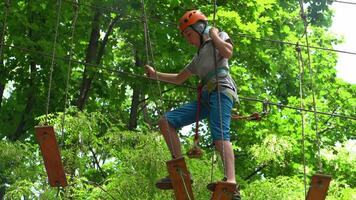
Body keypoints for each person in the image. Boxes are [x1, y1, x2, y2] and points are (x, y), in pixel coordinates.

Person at [144, 10, 240, 199]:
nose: (188, 39)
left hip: (221, 89)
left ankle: (231, 182)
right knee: (166, 121)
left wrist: (213, 35)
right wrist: (156, 74)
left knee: (220, 134)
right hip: (205, 96)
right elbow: (180, 78)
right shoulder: (198, 57)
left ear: (200, 27)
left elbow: (228, 52)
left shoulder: (218, 37)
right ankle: (180, 171)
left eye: (189, 34)